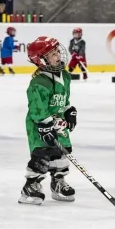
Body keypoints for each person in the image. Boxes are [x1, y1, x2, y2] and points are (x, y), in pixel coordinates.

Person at [19, 36, 77, 205]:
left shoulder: (65, 76)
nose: (58, 55)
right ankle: (30, 187)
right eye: (52, 54)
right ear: (42, 60)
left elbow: (64, 100)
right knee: (42, 155)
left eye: (57, 51)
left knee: (61, 154)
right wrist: (44, 126)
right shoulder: (39, 82)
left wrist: (69, 111)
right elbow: (36, 109)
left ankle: (58, 183)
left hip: (58, 123)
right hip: (39, 124)